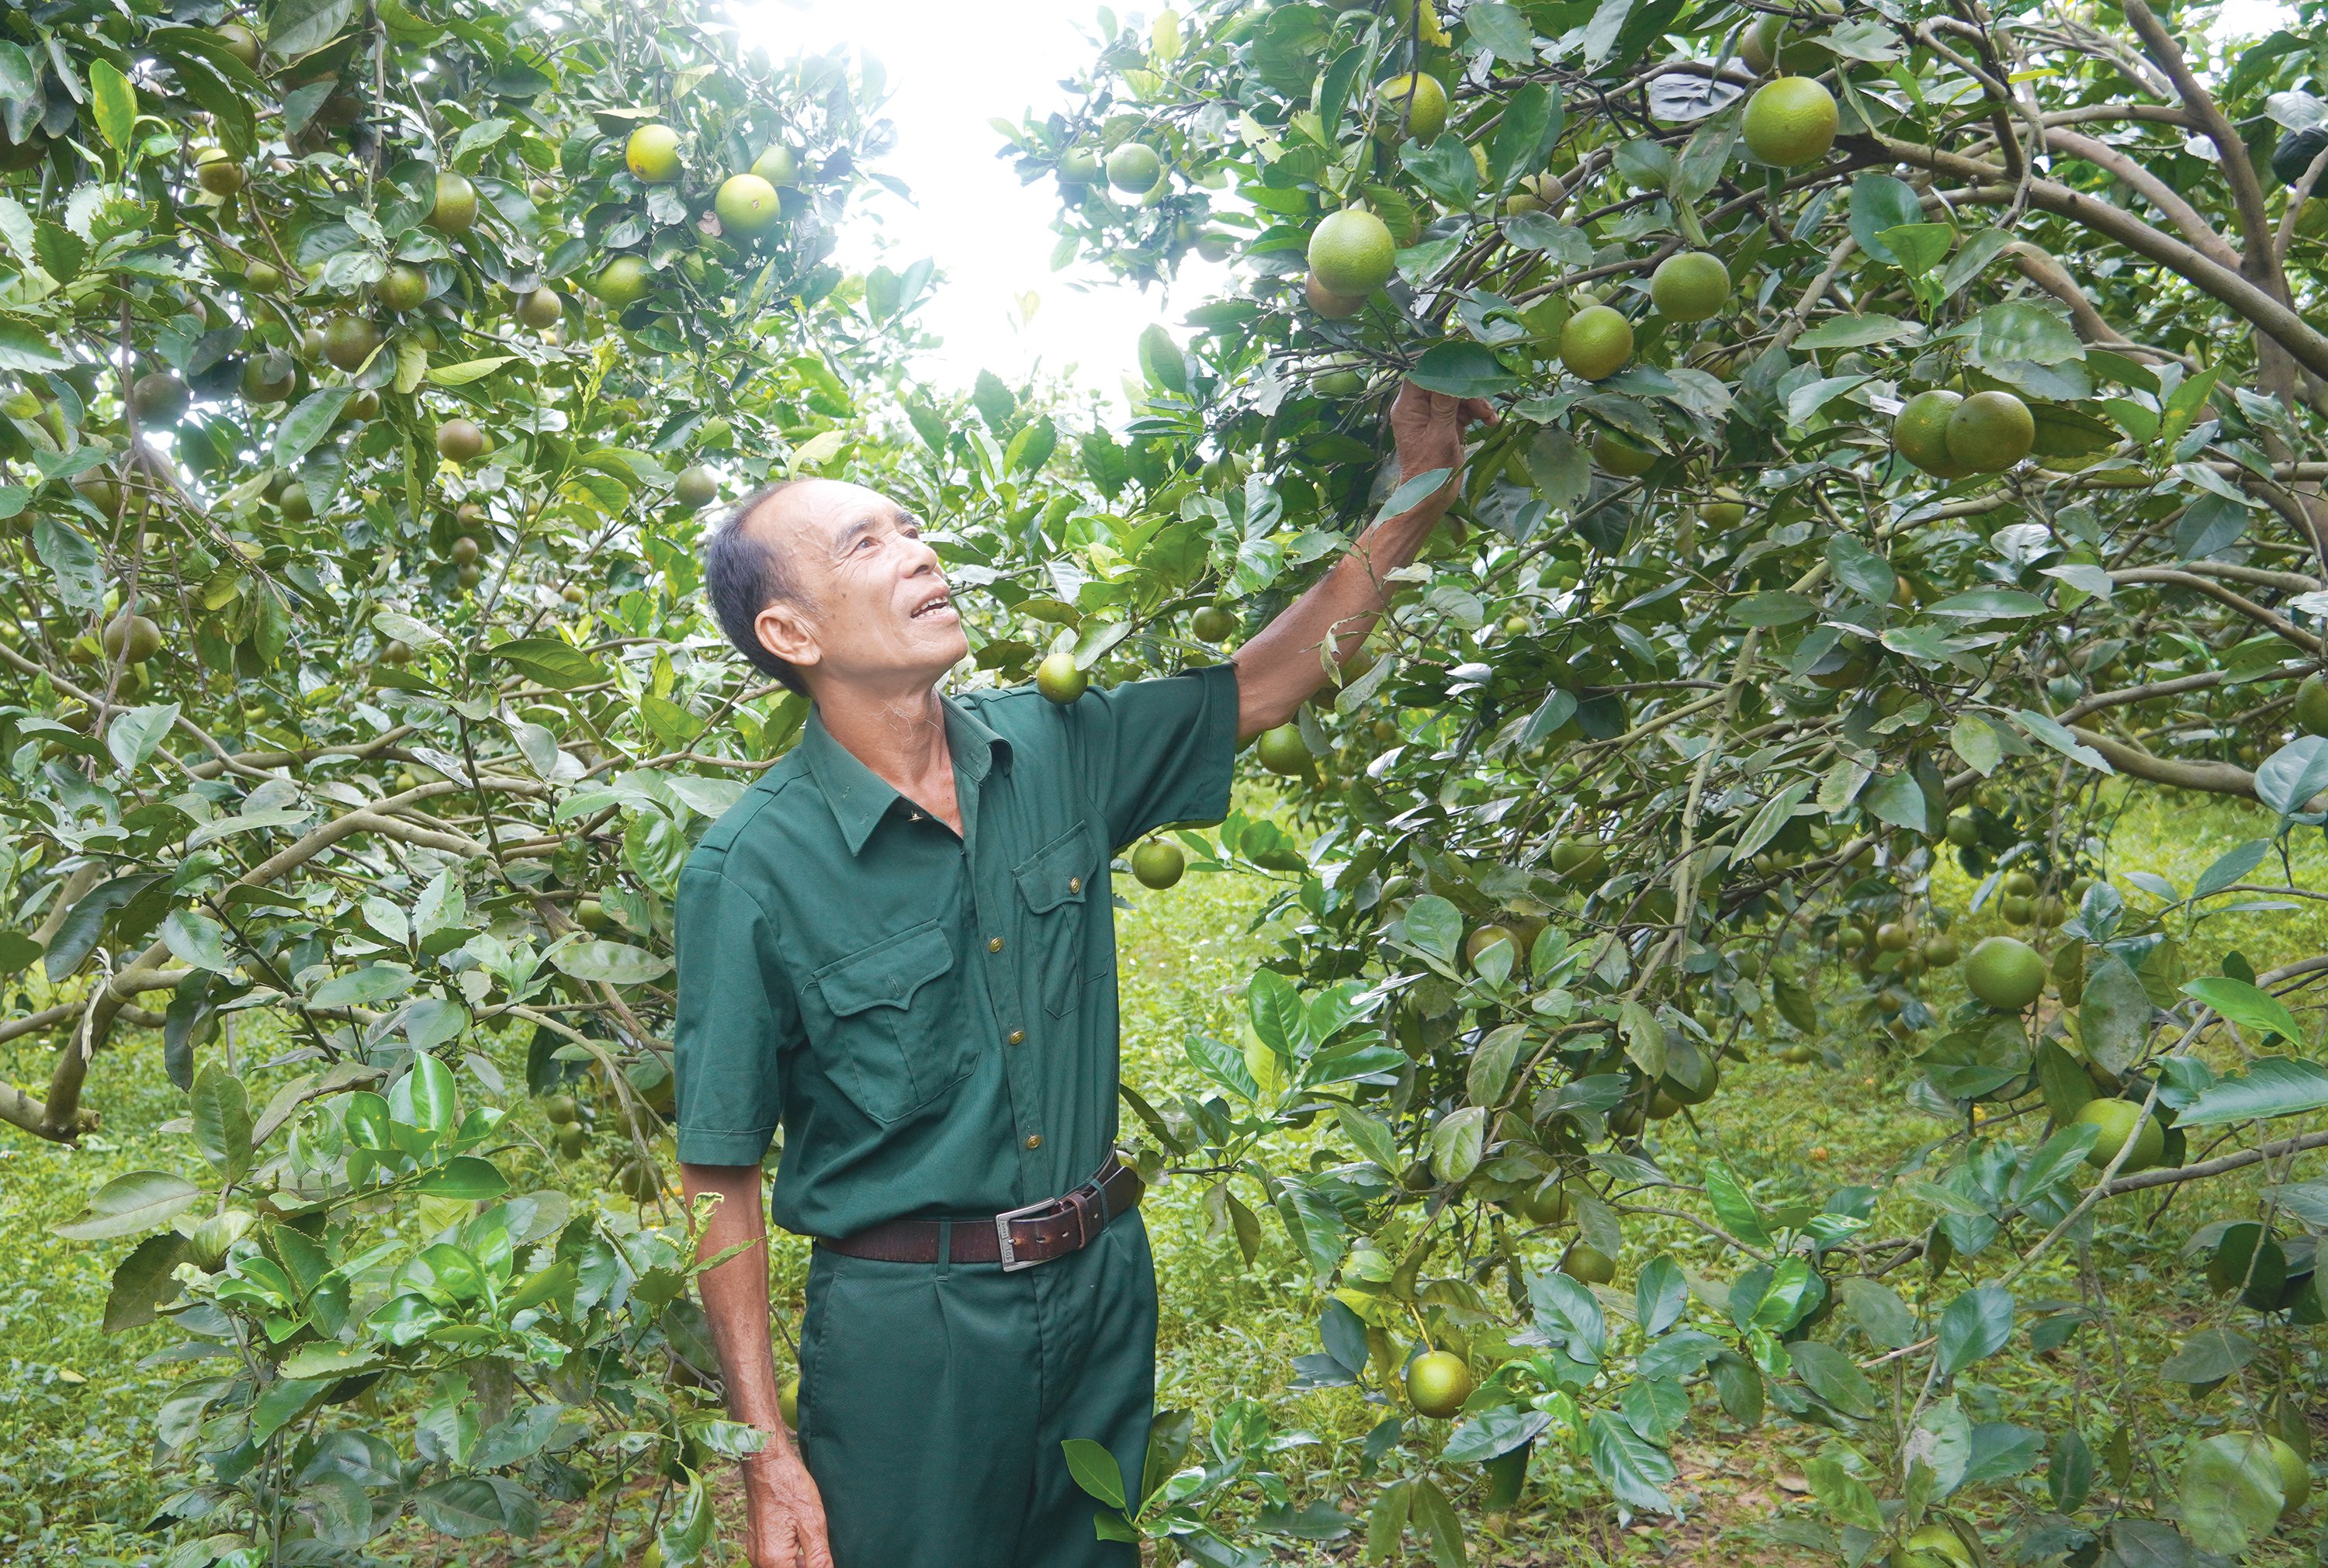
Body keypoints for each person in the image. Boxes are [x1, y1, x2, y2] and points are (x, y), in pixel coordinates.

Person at [674, 380, 1497, 1568]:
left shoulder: (1053, 747)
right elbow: (718, 1171)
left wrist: (1423, 486)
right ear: (791, 635)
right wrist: (764, 1447)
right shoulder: (751, 868)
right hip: (917, 1335)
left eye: (912, 526)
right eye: (866, 542)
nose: (917, 550)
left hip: (1103, 1284)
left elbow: (1268, 679)